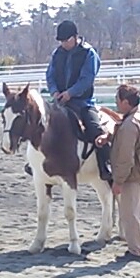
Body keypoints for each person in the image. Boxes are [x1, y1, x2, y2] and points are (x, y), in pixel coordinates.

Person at [30, 20, 111, 181]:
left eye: (66, 40)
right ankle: (35, 162)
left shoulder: (88, 53)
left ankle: (105, 165)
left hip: (83, 103)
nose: (64, 44)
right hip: (59, 101)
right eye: (61, 41)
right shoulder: (57, 54)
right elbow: (50, 75)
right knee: (40, 125)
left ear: (75, 37)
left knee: (95, 130)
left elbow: (87, 78)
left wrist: (71, 93)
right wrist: (54, 91)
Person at [97, 84, 140, 262]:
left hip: (133, 175)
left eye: (118, 100)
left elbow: (125, 157)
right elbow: (122, 128)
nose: (116, 103)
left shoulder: (130, 124)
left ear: (126, 102)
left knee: (130, 214)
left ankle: (136, 251)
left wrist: (118, 181)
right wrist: (109, 137)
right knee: (139, 211)